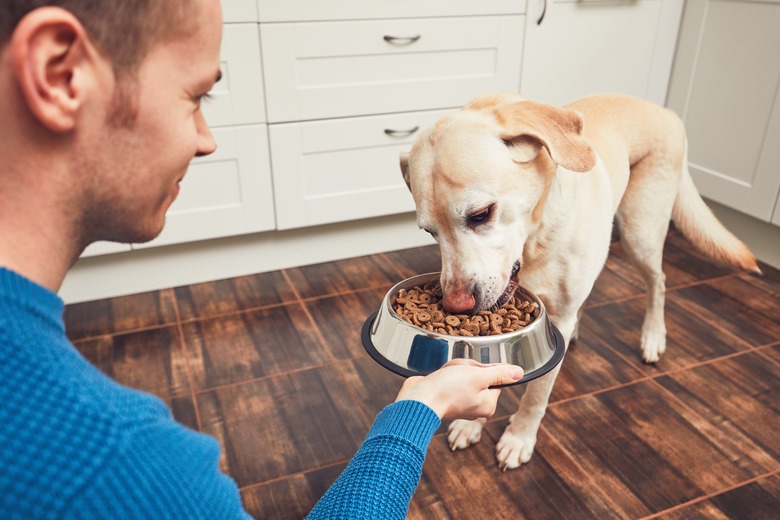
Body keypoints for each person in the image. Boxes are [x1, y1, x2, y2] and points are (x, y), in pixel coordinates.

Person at [0, 1, 524, 519]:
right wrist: (420, 409)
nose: (206, 140)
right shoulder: (124, 468)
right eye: (195, 96)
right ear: (59, 73)